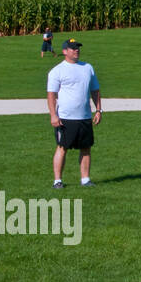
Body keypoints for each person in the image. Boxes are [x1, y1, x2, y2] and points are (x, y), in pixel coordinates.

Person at [46, 38, 101, 189]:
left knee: (86, 148)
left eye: (77, 47)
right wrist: (53, 115)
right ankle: (57, 180)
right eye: (72, 48)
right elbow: (51, 94)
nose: (76, 50)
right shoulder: (57, 71)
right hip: (65, 117)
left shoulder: (87, 68)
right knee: (62, 147)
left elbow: (95, 90)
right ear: (64, 51)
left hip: (84, 116)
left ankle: (85, 179)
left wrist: (98, 110)